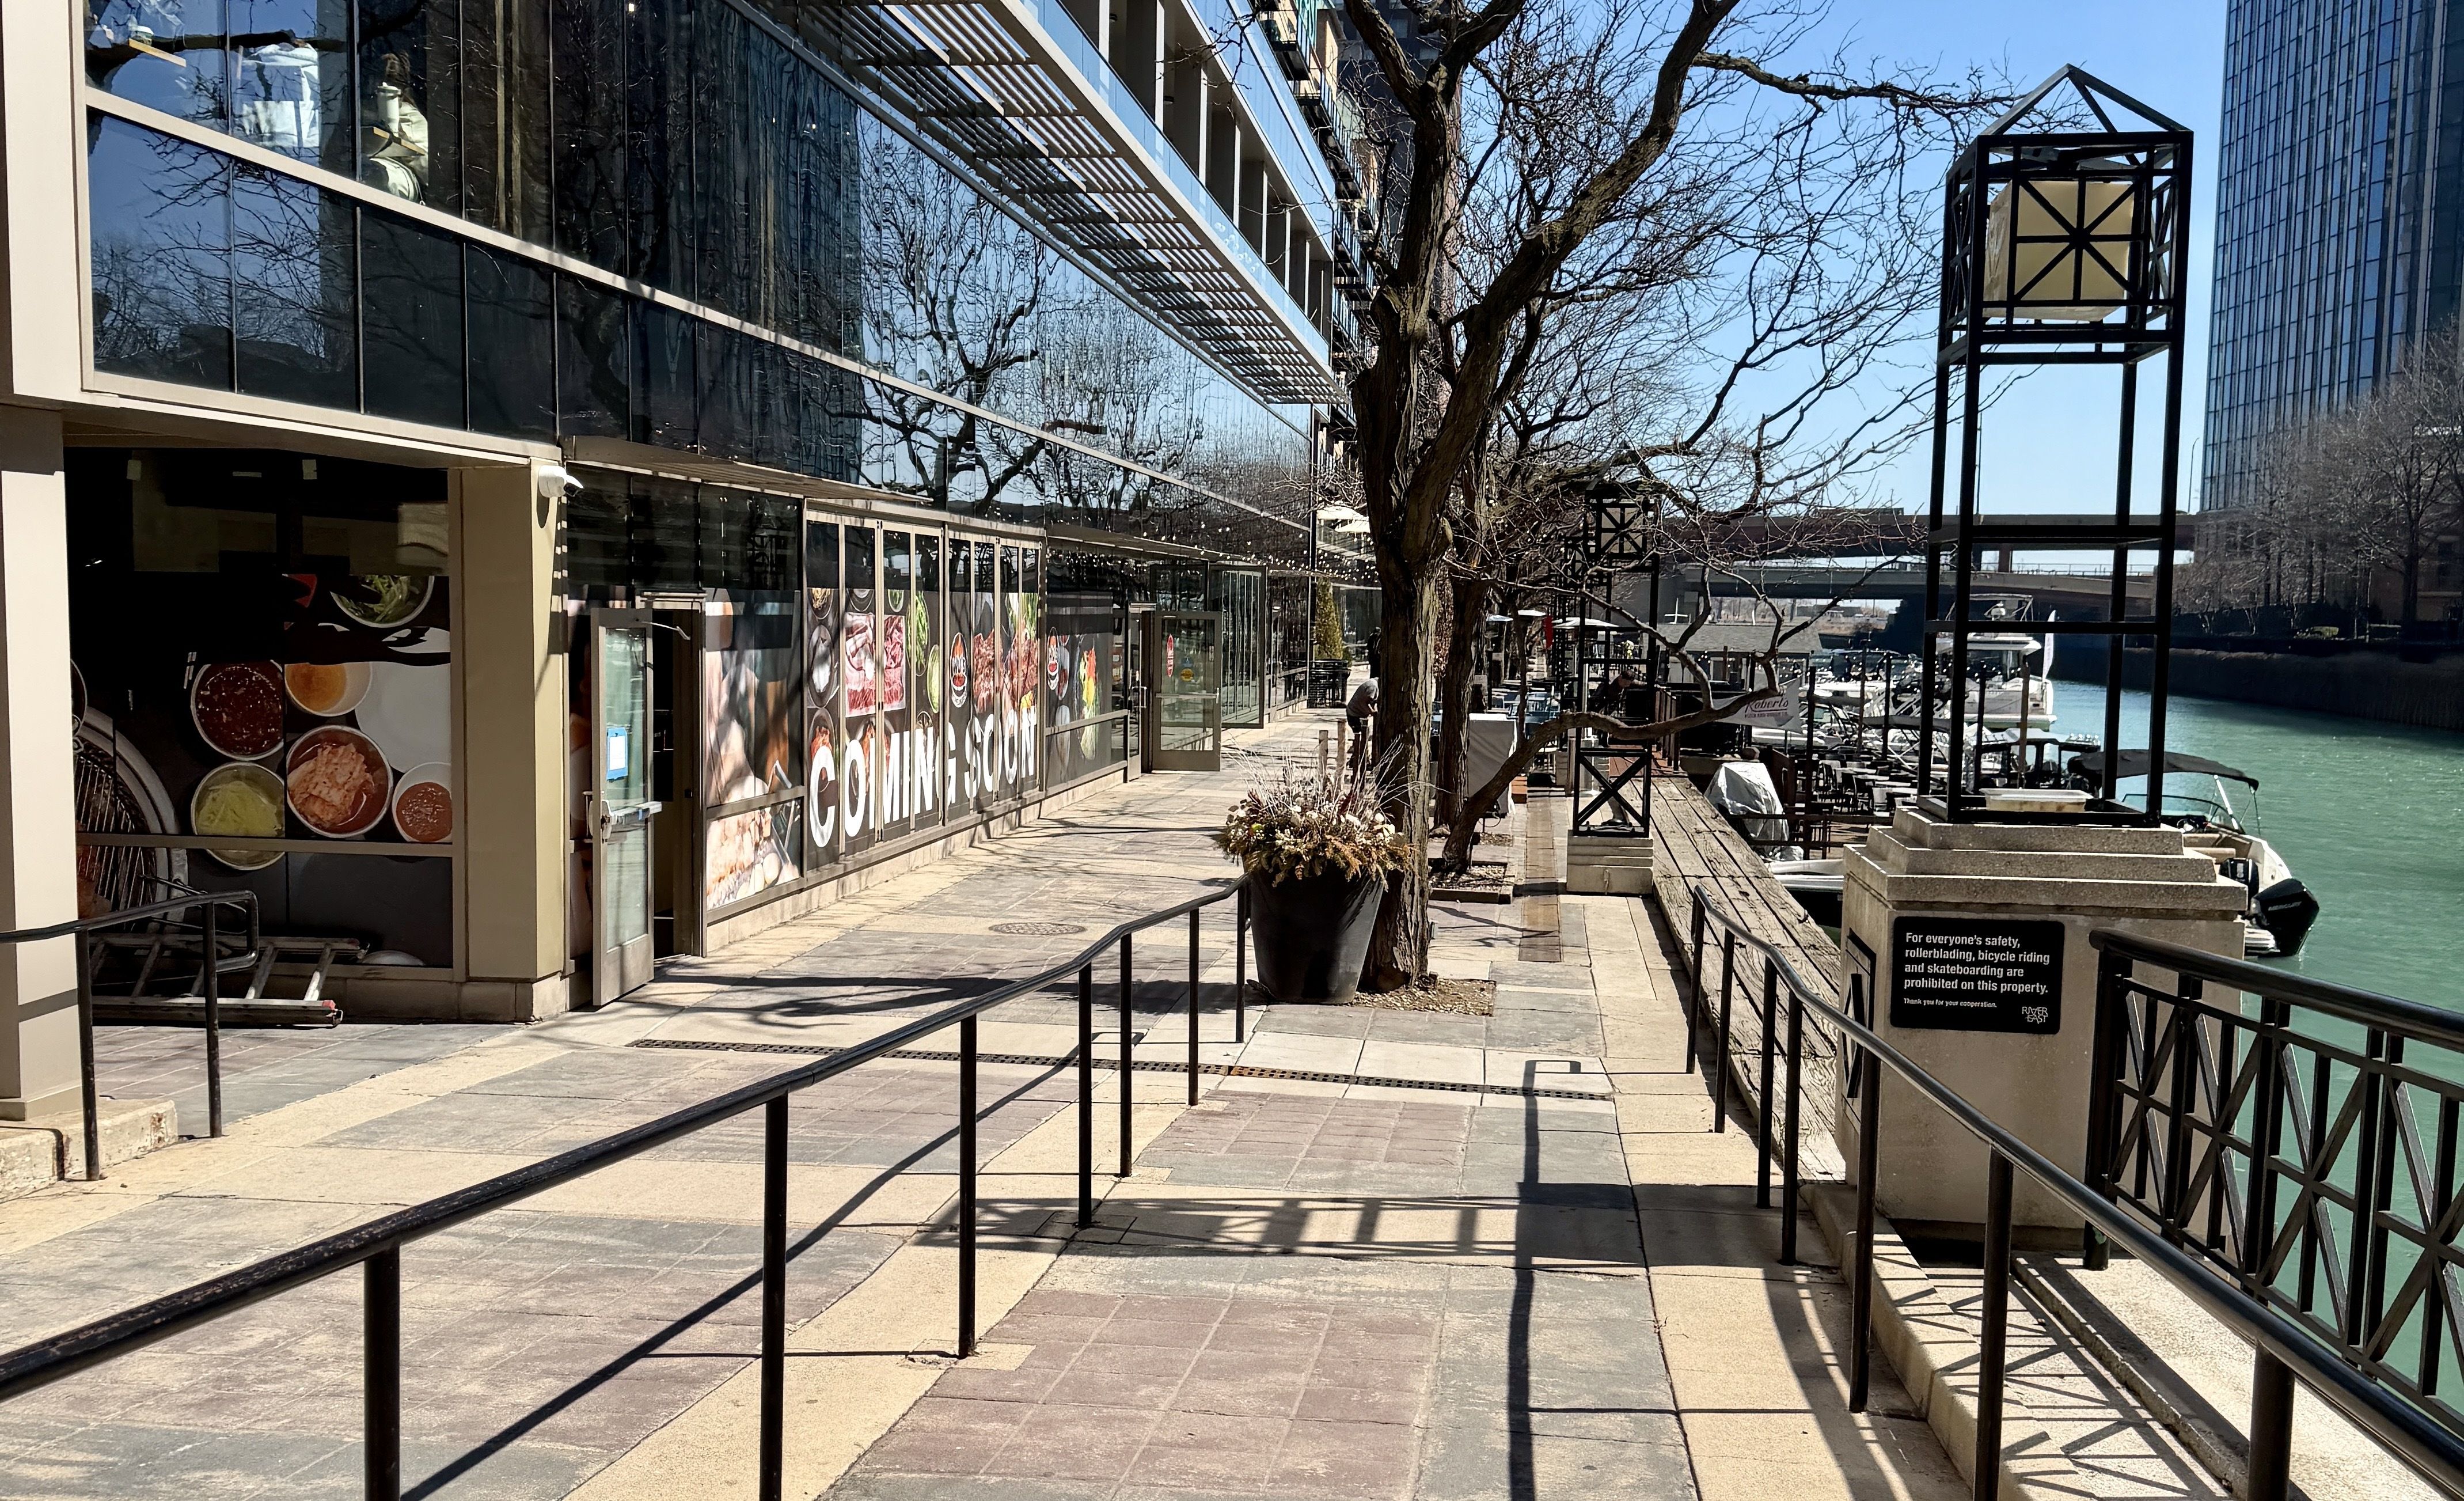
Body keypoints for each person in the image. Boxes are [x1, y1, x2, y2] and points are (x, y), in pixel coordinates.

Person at [1345, 677, 1379, 775]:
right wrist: (1373, 713)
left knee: (1362, 738)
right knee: (1362, 738)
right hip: (1355, 714)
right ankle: (1360, 760)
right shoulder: (1373, 687)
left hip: (1357, 713)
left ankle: (1356, 759)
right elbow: (1365, 702)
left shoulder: (1373, 684)